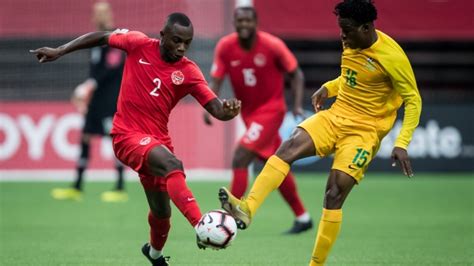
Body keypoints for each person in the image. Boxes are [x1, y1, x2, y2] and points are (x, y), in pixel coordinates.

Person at [218, 0, 422, 265]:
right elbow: (353, 77)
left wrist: (402, 141)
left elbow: (413, 99)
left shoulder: (392, 57)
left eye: (347, 30)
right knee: (288, 148)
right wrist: (329, 87)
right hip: (335, 116)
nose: (342, 36)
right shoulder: (352, 41)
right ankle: (247, 209)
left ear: (366, 27)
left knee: (334, 193)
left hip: (365, 131)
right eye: (341, 29)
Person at [31, 12, 241, 266]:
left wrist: (228, 112)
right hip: (126, 136)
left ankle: (153, 253)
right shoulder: (138, 43)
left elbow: (216, 108)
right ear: (162, 36)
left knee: (162, 212)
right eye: (176, 40)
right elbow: (102, 37)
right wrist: (60, 50)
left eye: (187, 42)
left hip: (157, 142)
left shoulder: (188, 71)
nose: (181, 47)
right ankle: (201, 225)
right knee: (173, 165)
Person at [204, 6, 313, 234]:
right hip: (249, 114)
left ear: (256, 23)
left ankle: (229, 217)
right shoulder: (225, 47)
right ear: (235, 23)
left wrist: (296, 104)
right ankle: (303, 217)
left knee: (240, 156)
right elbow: (215, 79)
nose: (244, 25)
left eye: (248, 21)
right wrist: (208, 105)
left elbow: (296, 74)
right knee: (276, 164)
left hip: (272, 110)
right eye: (239, 21)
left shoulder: (272, 45)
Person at [51, 1, 127, 203]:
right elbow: (95, 71)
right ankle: (77, 186)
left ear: (109, 15)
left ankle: (120, 187)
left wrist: (88, 85)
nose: (99, 16)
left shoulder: (114, 38)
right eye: (96, 13)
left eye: (102, 13)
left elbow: (111, 67)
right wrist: (88, 88)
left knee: (115, 140)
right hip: (96, 100)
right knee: (85, 137)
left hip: (111, 99)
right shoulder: (94, 40)